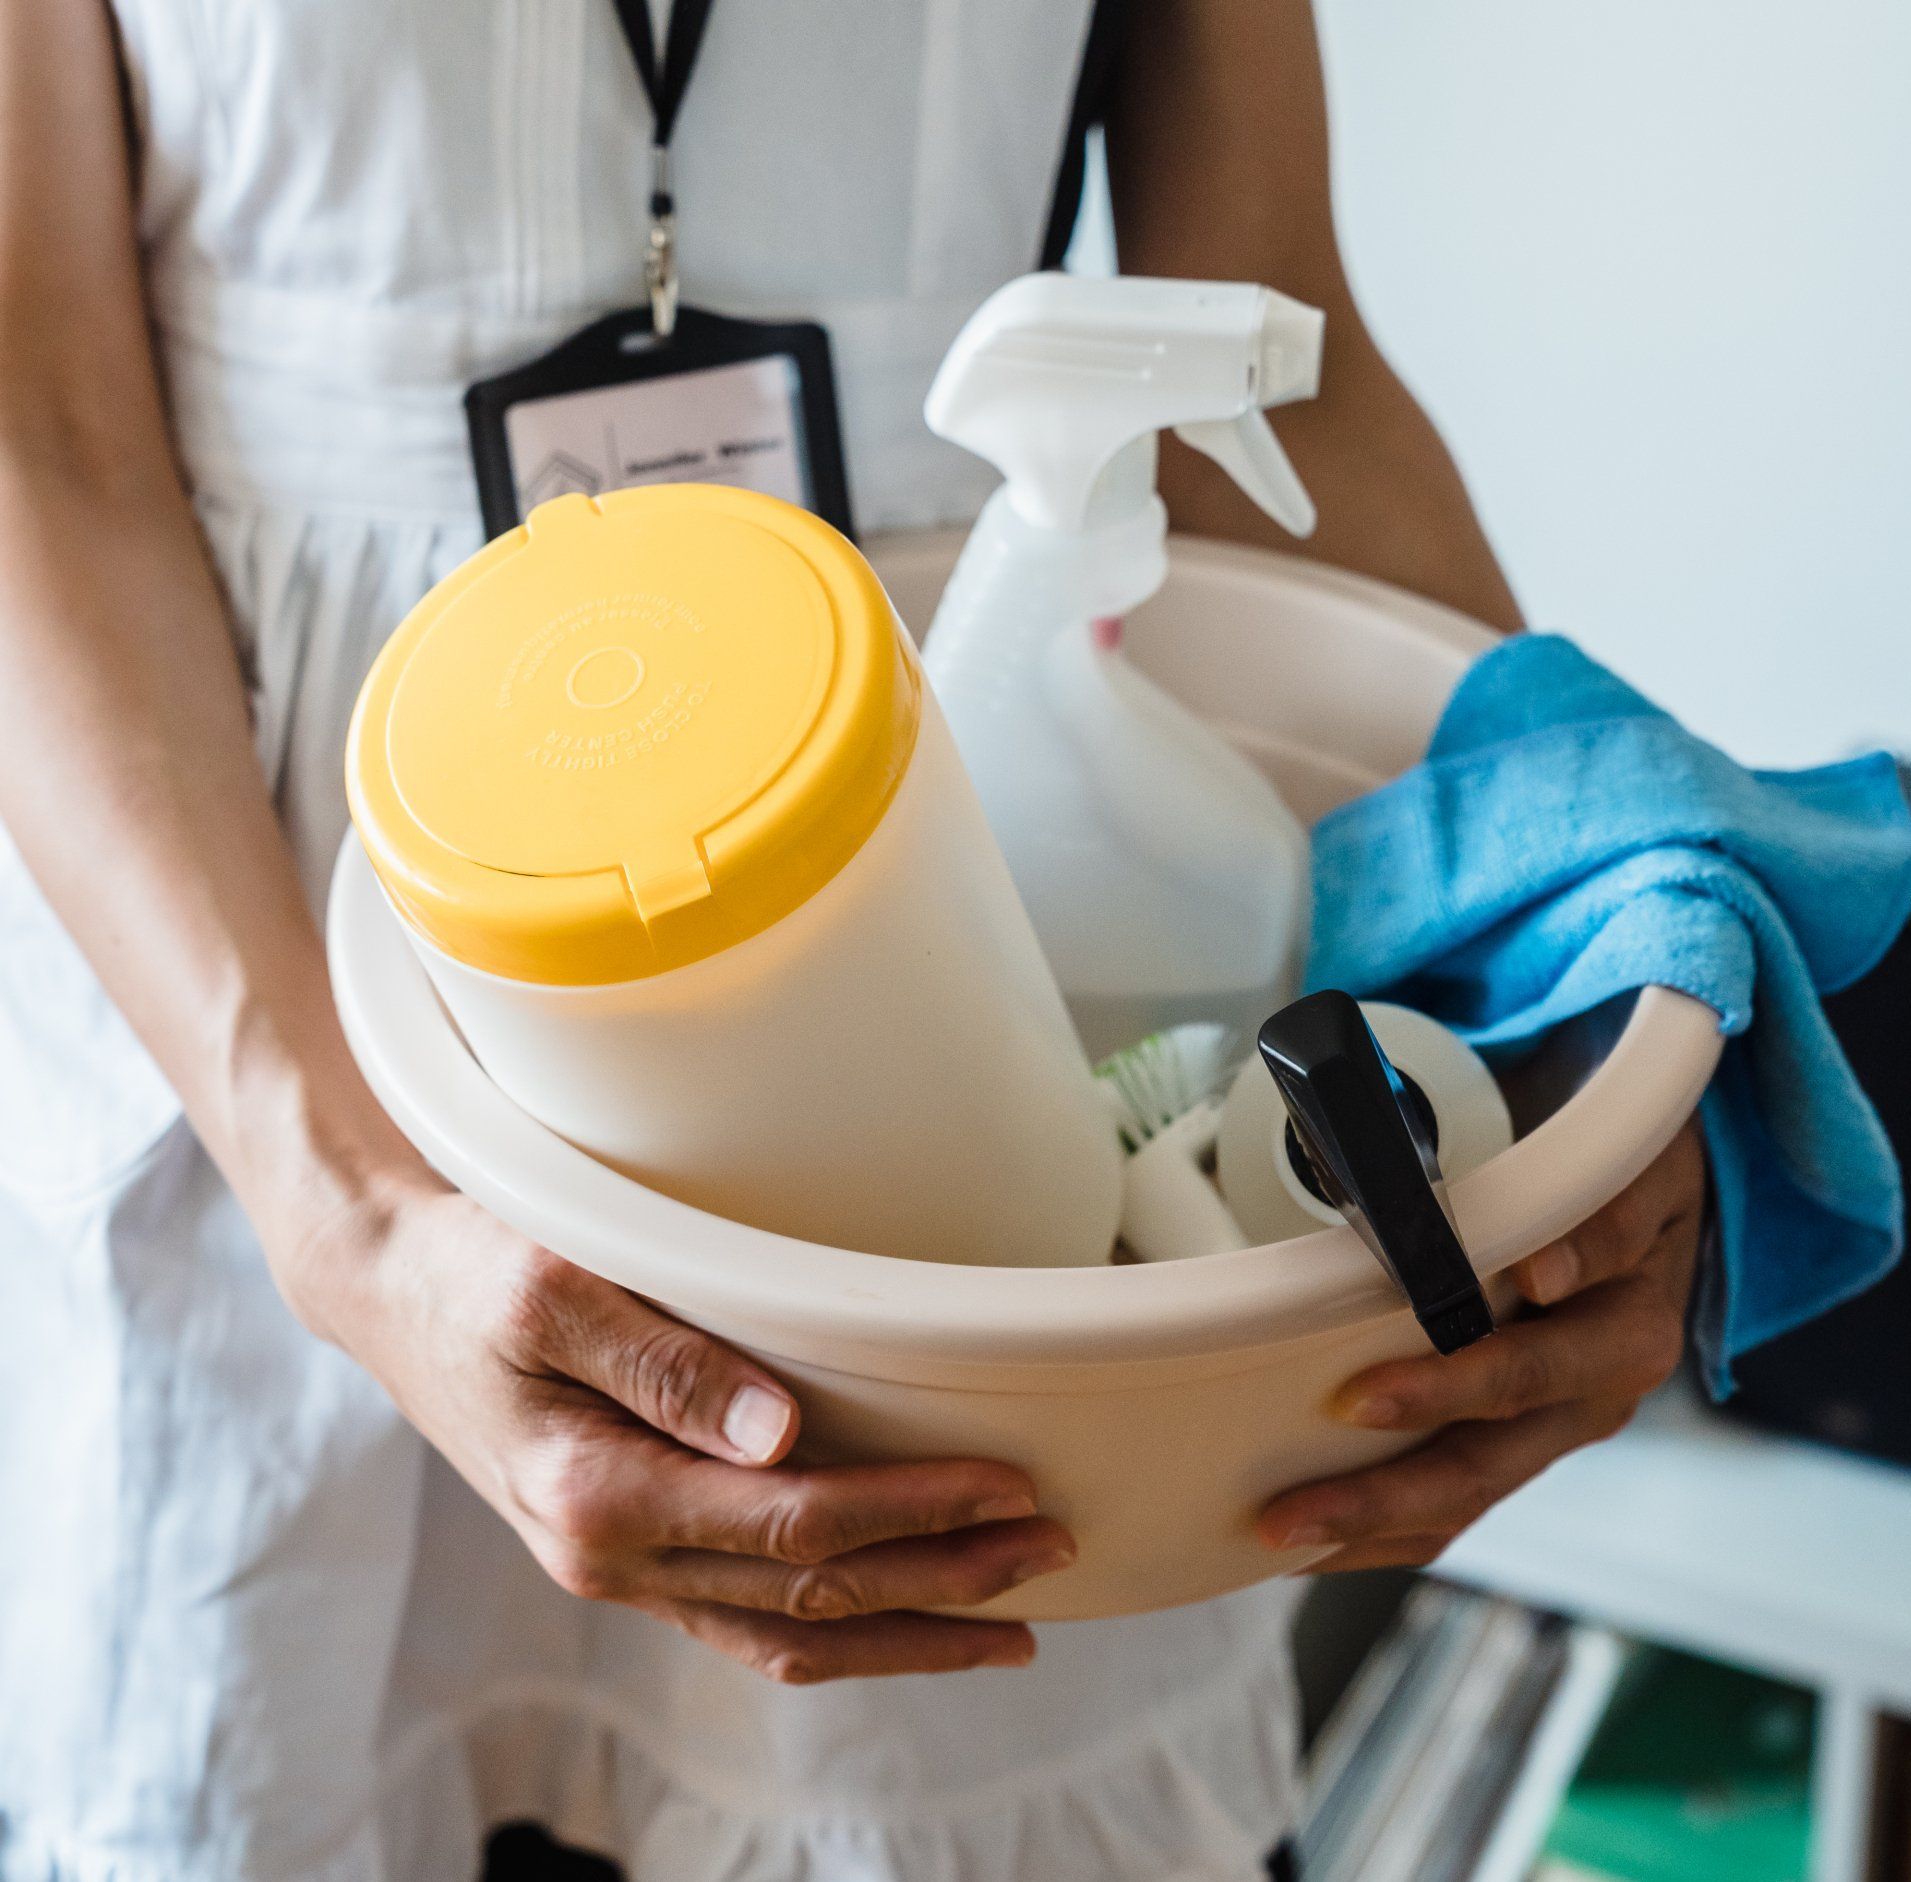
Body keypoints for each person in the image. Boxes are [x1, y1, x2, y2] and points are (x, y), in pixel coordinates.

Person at [0, 1, 1707, 1877]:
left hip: (955, 836)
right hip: (264, 958)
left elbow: (1269, 332)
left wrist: (1615, 976)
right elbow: (36, 419)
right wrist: (350, 1215)